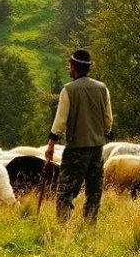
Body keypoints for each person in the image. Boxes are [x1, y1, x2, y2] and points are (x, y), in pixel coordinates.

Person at [45, 49, 113, 222]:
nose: (69, 68)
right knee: (94, 191)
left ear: (74, 67)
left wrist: (51, 144)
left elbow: (60, 121)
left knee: (65, 191)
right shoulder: (102, 88)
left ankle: (63, 226)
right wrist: (102, 133)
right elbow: (108, 119)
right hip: (97, 148)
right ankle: (90, 224)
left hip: (76, 149)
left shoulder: (68, 90)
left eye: (70, 65)